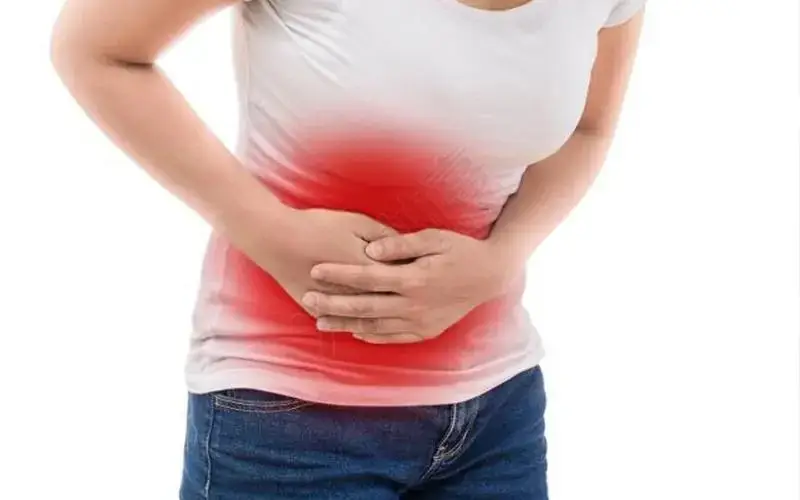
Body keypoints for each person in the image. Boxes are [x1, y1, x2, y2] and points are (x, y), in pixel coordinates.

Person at [50, 0, 645, 498]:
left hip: (497, 412)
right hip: (288, 413)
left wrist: (503, 257)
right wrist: (271, 231)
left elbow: (588, 128)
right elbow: (95, 49)